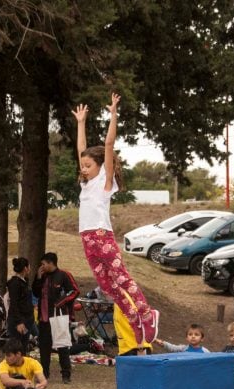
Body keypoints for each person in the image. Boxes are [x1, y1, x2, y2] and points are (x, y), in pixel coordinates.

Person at [72, 93, 159, 348]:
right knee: (106, 286)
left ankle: (146, 312)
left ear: (100, 166)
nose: (84, 168)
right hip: (87, 240)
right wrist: (80, 123)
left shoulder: (104, 182)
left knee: (121, 278)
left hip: (102, 237)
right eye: (83, 166)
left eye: (88, 165)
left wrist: (113, 115)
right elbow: (81, 150)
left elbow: (109, 145)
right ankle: (134, 320)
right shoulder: (86, 184)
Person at [0, 338, 95, 389]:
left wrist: (41, 385)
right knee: (17, 379)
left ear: (18, 354)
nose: (6, 358)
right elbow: (5, 381)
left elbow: (43, 380)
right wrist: (22, 382)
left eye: (9, 355)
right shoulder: (3, 365)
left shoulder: (32, 363)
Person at [31, 252, 80, 383]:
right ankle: (44, 374)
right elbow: (35, 292)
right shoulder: (42, 276)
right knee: (44, 347)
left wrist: (60, 302)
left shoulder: (64, 275)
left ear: (51, 263)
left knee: (62, 346)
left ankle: (66, 375)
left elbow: (74, 291)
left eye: (43, 264)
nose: (42, 266)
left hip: (59, 317)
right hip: (44, 318)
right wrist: (38, 278)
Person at [6, 256, 35, 353]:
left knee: (23, 346)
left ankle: (23, 367)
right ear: (26, 268)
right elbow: (14, 304)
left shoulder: (24, 281)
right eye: (29, 266)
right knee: (16, 347)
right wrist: (19, 322)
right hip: (18, 320)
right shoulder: (15, 283)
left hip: (27, 319)